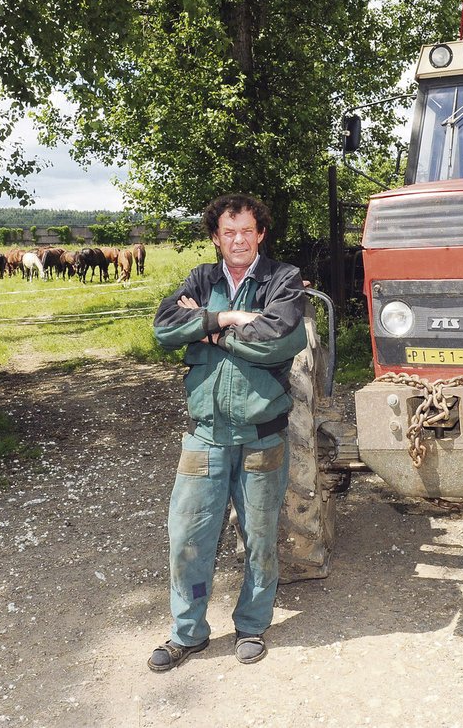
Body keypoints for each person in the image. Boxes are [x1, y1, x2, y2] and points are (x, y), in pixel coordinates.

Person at [147, 193, 308, 671]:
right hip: (205, 434)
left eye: (247, 231)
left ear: (260, 234)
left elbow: (280, 340)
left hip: (263, 433)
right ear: (216, 238)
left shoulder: (283, 279)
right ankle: (188, 634)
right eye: (228, 232)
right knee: (188, 537)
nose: (238, 240)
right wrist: (231, 318)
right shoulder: (202, 277)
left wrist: (209, 331)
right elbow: (163, 326)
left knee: (259, 535)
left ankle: (253, 625)